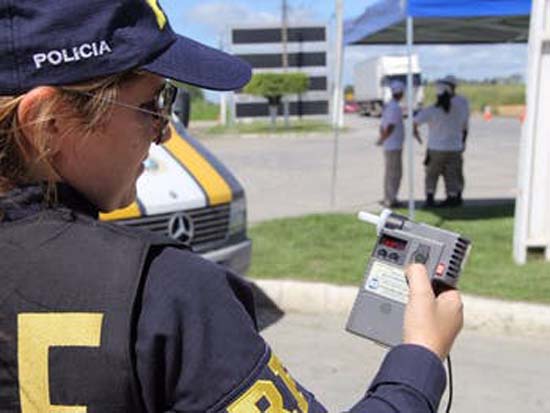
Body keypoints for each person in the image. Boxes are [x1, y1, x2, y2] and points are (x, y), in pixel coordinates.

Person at [0, 1, 463, 412]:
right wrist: (420, 358)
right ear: (49, 122)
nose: (164, 132)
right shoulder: (165, 293)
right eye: (152, 104)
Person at [414, 80, 468, 208]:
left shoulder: (431, 110)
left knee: (432, 175)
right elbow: (464, 128)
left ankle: (430, 198)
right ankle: (452, 197)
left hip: (436, 149)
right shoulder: (460, 110)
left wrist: (417, 136)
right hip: (455, 148)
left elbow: (414, 123)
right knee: (452, 175)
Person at [376, 81, 421, 208]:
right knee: (394, 174)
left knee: (390, 173)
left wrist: (382, 138)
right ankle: (391, 199)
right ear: (400, 93)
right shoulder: (394, 107)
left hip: (391, 145)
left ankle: (389, 197)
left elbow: (383, 125)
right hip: (393, 145)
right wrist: (382, 138)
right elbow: (389, 126)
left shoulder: (389, 106)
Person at [441, 75, 470, 204]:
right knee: (450, 171)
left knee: (454, 171)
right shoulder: (460, 101)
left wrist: (463, 140)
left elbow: (464, 124)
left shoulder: (459, 102)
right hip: (449, 141)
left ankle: (455, 195)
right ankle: (453, 194)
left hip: (454, 141)